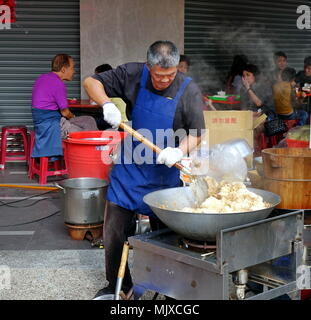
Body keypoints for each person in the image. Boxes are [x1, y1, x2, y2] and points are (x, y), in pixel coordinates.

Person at [83, 40, 205, 298]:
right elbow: (90, 82)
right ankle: (119, 286)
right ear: (149, 67)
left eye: (170, 75)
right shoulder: (133, 74)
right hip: (129, 172)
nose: (164, 81)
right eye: (159, 76)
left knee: (166, 240)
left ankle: (167, 289)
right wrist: (106, 103)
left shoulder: (188, 89)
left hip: (164, 177)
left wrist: (179, 151)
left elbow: (196, 133)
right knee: (115, 234)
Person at [31, 54, 98, 159]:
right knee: (85, 133)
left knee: (89, 120)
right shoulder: (58, 83)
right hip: (52, 126)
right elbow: (65, 113)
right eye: (72, 68)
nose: (74, 71)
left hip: (44, 124)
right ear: (63, 69)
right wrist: (74, 118)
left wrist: (73, 118)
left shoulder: (42, 78)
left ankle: (93, 153)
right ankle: (92, 156)